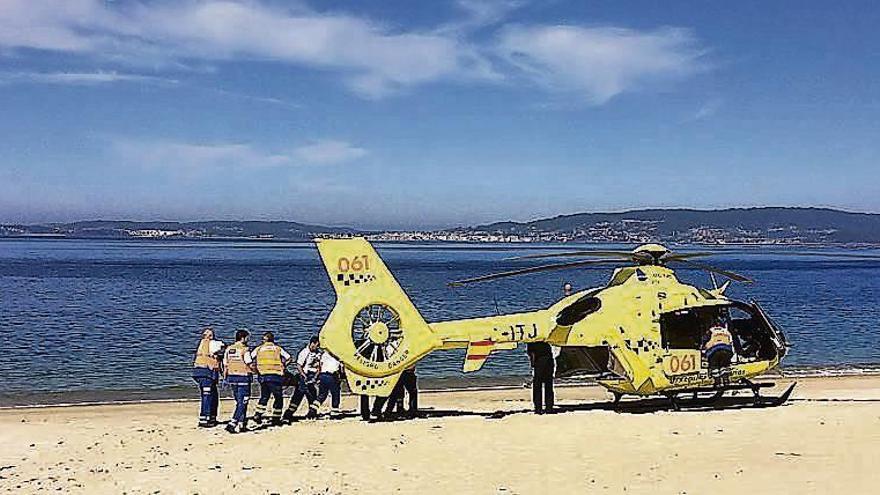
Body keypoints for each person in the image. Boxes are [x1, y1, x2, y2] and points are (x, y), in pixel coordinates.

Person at [251, 331, 291, 426]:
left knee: (265, 396)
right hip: (275, 375)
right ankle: (276, 418)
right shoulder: (277, 348)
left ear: (265, 340)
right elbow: (289, 358)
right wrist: (283, 365)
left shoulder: (259, 348)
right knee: (278, 398)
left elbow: (249, 358)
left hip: (263, 375)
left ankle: (258, 414)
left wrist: (255, 369)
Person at [283, 336, 321, 421]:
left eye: (317, 346)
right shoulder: (304, 352)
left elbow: (319, 366)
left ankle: (311, 413)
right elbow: (299, 366)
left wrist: (316, 376)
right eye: (315, 345)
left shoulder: (318, 353)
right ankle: (289, 414)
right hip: (305, 375)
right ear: (311, 343)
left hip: (312, 375)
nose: (315, 347)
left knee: (311, 395)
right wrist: (304, 376)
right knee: (301, 395)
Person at [223, 329, 254, 434]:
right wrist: (256, 371)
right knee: (243, 401)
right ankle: (233, 423)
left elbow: (225, 364)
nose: (248, 339)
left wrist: (225, 378)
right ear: (243, 338)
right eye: (247, 337)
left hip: (232, 377)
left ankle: (242, 424)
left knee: (239, 401)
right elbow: (249, 363)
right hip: (243, 377)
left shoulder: (229, 349)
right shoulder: (244, 350)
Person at [192, 327, 224, 428]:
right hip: (207, 372)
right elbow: (222, 345)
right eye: (211, 335)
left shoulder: (201, 345)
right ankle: (205, 418)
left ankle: (211, 417)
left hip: (199, 372)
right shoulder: (213, 344)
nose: (212, 336)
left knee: (212, 395)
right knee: (208, 395)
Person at [703, 319, 735, 384]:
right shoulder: (726, 331)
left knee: (714, 367)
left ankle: (717, 382)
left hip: (714, 351)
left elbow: (704, 341)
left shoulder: (710, 331)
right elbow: (731, 341)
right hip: (727, 350)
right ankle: (726, 381)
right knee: (725, 365)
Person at [527, 342, 555, 414]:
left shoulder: (532, 341)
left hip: (539, 361)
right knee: (548, 385)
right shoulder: (545, 340)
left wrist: (533, 364)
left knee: (537, 385)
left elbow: (531, 353)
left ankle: (538, 408)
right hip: (548, 360)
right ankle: (549, 407)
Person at [316, 350, 343, 418]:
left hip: (323, 375)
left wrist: (317, 377)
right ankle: (335, 412)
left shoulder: (324, 354)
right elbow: (341, 368)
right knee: (335, 393)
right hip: (332, 375)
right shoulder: (338, 354)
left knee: (322, 395)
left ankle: (313, 409)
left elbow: (320, 366)